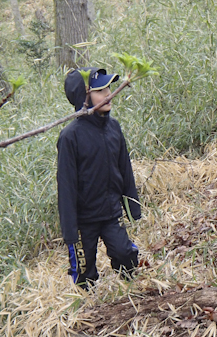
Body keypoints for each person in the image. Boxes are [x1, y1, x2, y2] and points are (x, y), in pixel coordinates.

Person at [57, 67, 141, 289]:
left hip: (110, 213)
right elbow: (65, 187)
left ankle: (128, 298)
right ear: (83, 97)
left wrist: (133, 209)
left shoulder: (113, 127)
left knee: (126, 256)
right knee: (85, 275)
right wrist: (69, 232)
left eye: (109, 88)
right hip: (84, 222)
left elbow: (125, 168)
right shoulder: (70, 136)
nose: (108, 94)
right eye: (100, 90)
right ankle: (89, 310)